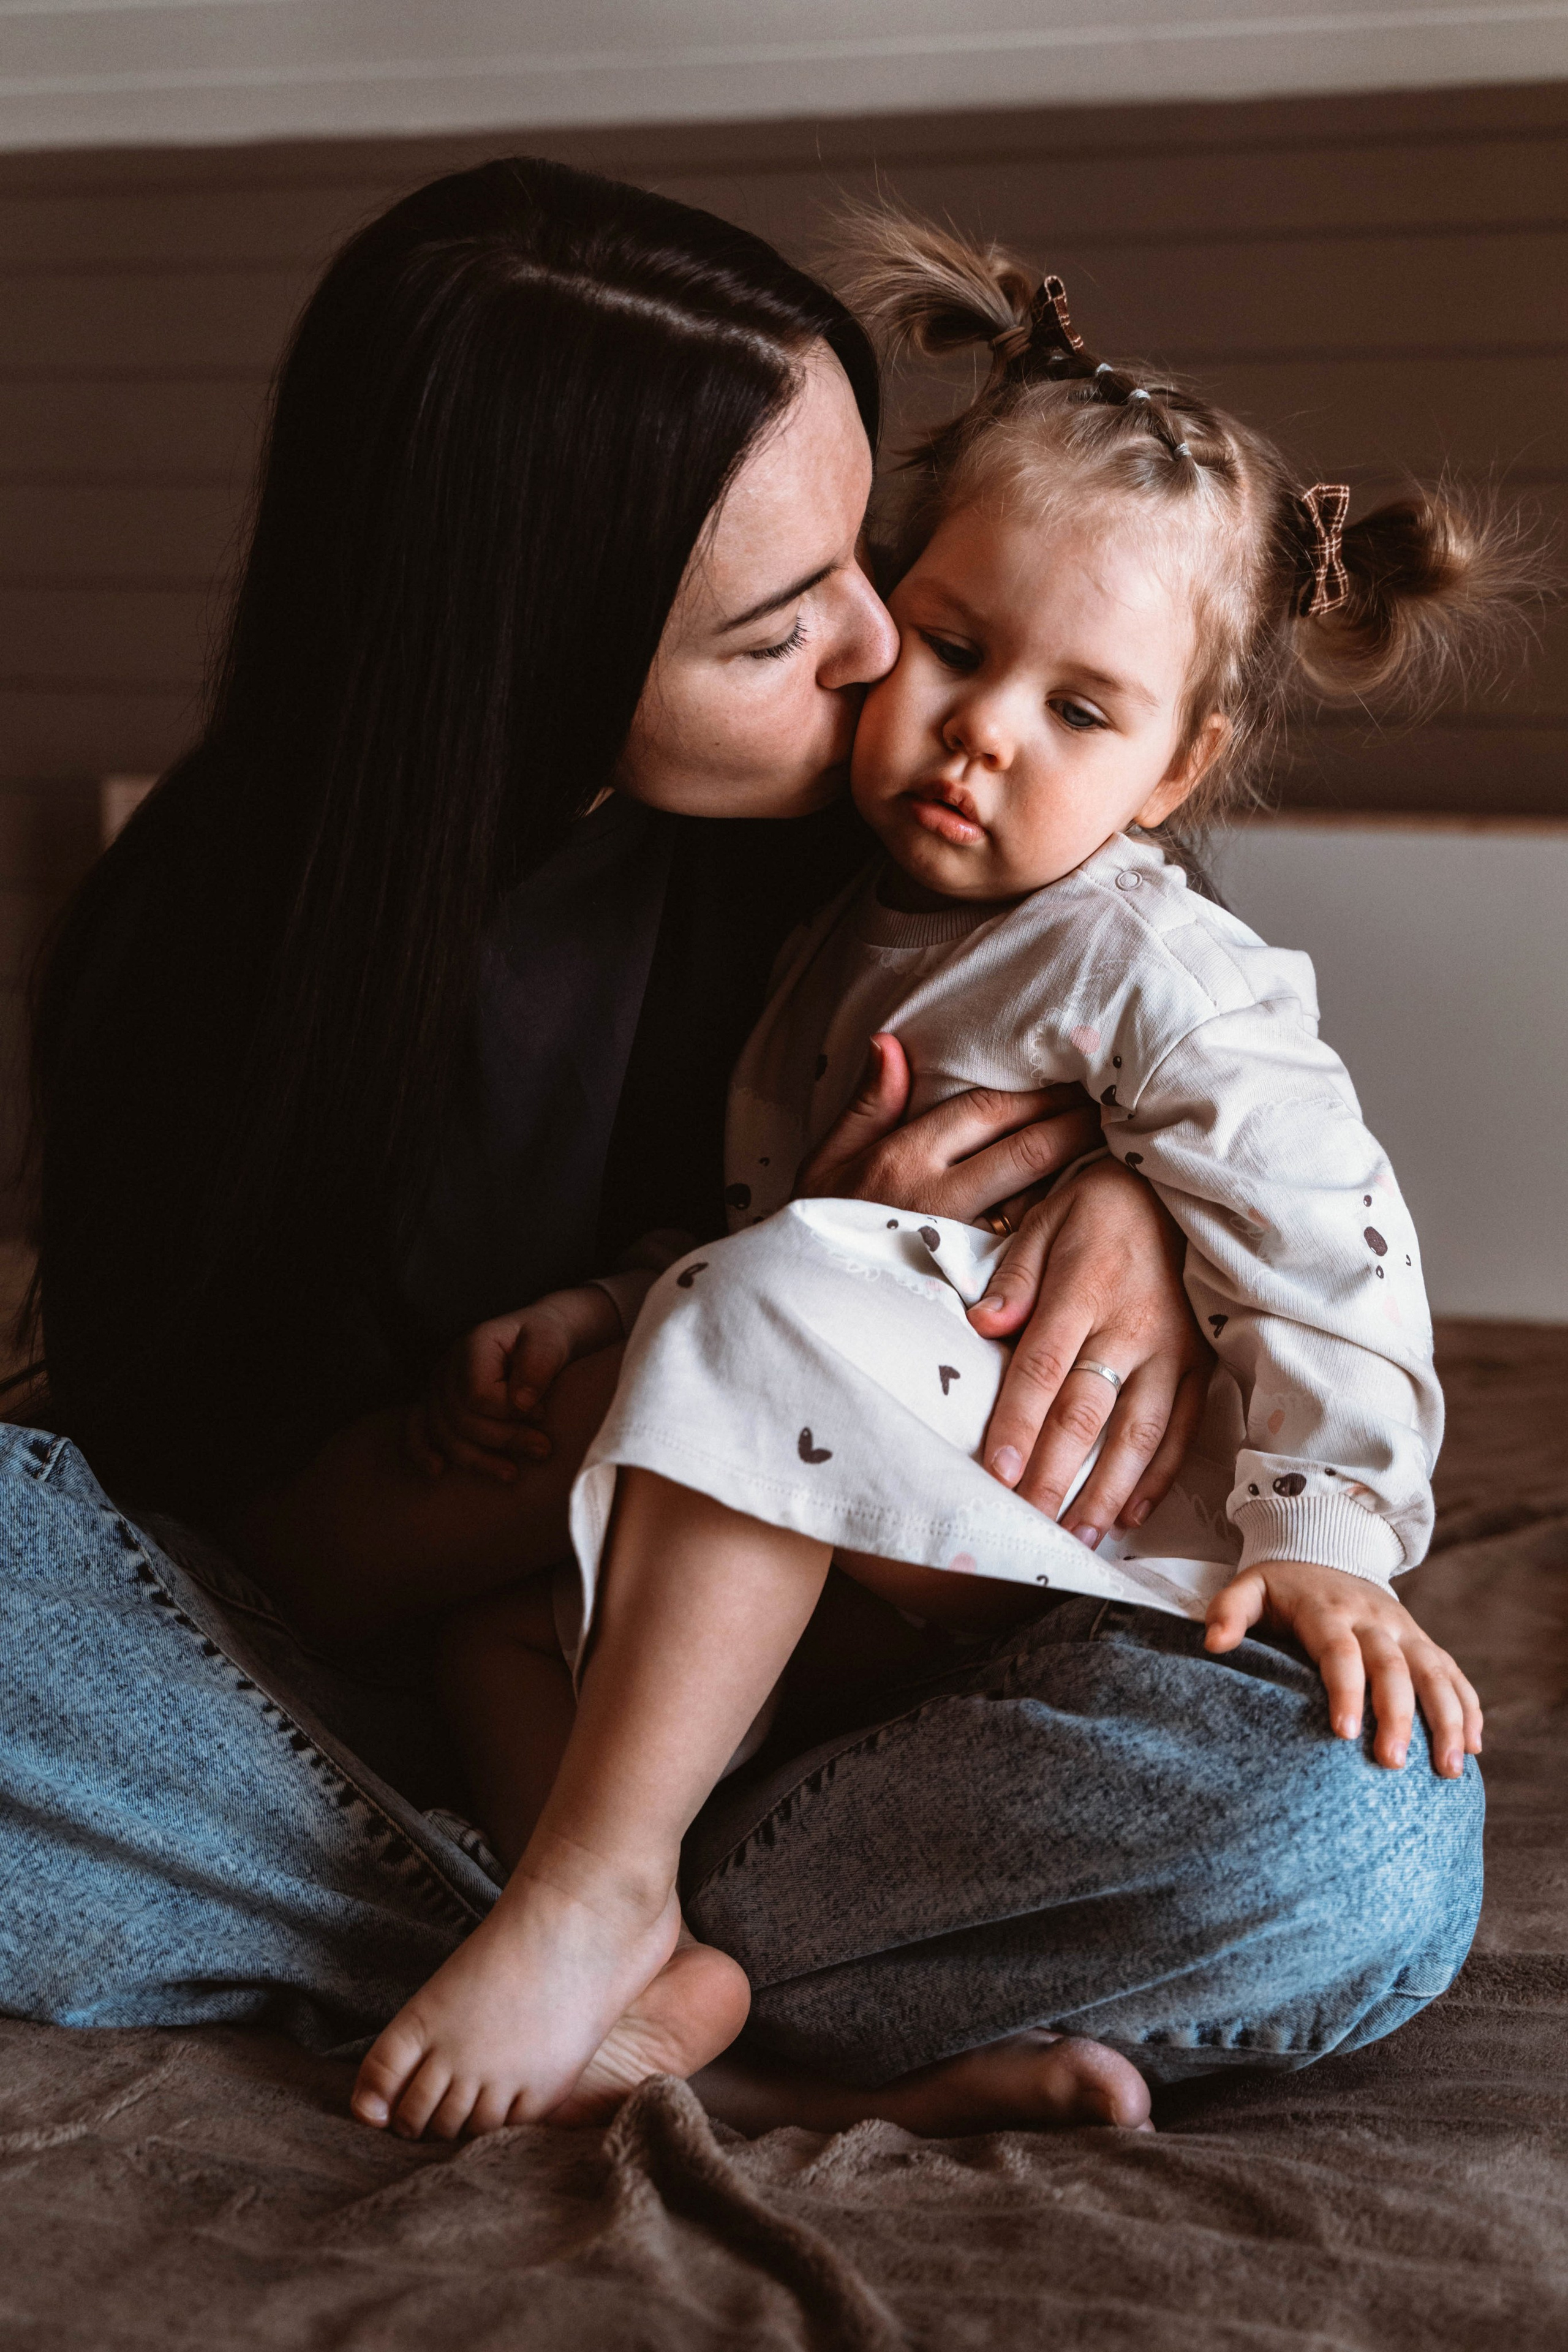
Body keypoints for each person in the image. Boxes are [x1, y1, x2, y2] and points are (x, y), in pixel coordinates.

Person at [4, 160, 1208, 2129]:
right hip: (387, 1716)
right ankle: (676, 1989)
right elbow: (269, 1556)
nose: (879, 658)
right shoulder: (206, 946)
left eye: (862, 557)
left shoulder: (948, 844)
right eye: (768, 632)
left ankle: (589, 1971)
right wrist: (707, 1387)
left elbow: (1210, 1108)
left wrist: (1138, 1210)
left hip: (862, 1734)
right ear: (524, 665)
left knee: (1358, 1832)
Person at [348, 214, 1534, 2143]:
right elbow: (774, 1227)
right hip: (861, 1532)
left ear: (1175, 767)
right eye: (960, 650)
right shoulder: (844, 924)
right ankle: (760, 2020)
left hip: (1078, 1541)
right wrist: (605, 1308)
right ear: (890, 606)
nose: (983, 733)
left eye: (1078, 712)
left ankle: (605, 1895)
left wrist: (1329, 1531)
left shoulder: (1149, 960)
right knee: (492, 1631)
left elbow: (1331, 1232)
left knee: (1360, 1827)